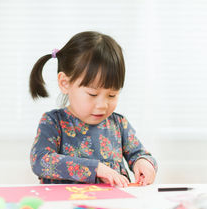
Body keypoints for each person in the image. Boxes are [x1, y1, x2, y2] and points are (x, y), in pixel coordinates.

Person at [29, 31, 157, 187]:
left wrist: (144, 163)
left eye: (112, 95)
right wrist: (95, 169)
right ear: (65, 83)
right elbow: (40, 160)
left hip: (114, 205)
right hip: (65, 206)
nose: (102, 105)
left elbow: (141, 154)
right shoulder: (54, 122)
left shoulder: (119, 124)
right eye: (92, 94)